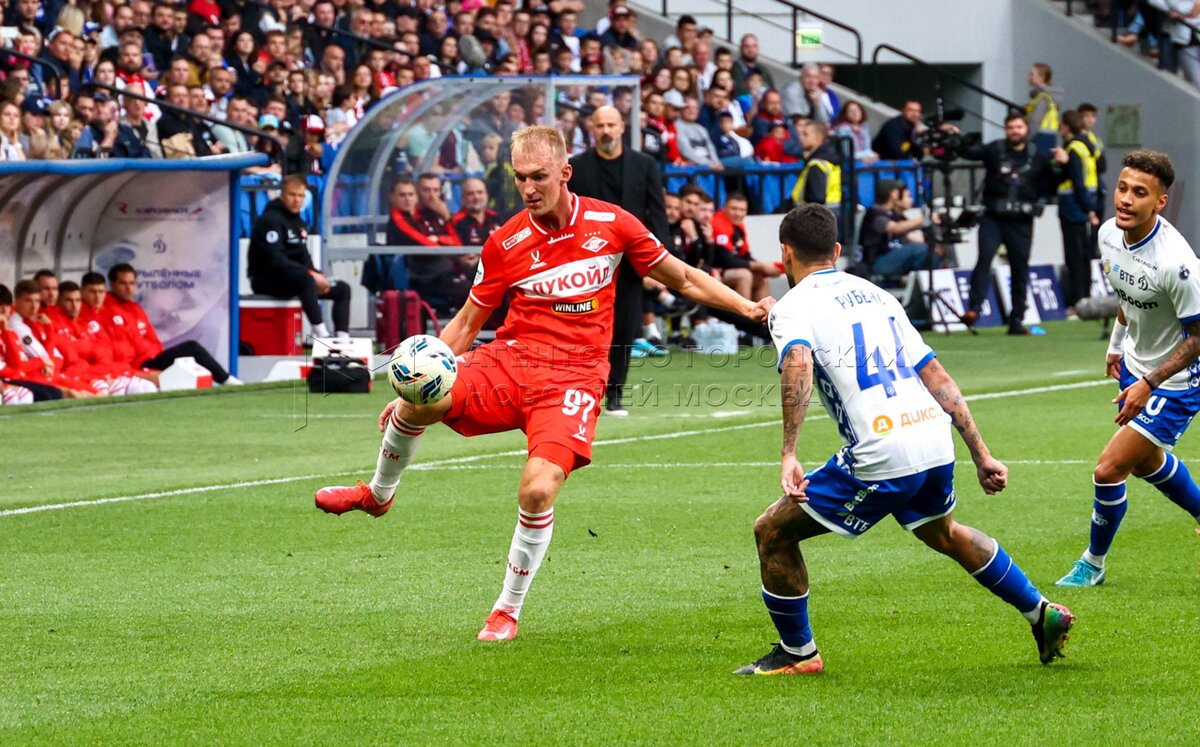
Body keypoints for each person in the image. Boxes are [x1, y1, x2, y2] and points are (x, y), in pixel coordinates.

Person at [314, 127, 772, 643]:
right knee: (422, 399)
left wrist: (748, 307)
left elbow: (683, 278)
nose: (529, 188)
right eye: (520, 178)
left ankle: (506, 610)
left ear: (564, 173)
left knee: (536, 489)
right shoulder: (506, 242)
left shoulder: (613, 224)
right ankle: (377, 495)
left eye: (539, 176)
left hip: (575, 376)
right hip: (511, 362)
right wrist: (423, 377)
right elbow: (466, 322)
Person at [735, 204, 1075, 675]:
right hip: (933, 438)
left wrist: (790, 452)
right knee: (943, 531)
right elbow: (936, 375)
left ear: (785, 254)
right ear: (836, 250)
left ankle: (798, 654)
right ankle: (1040, 611)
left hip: (882, 451)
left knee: (772, 531)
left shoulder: (792, 306)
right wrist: (981, 453)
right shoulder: (878, 296)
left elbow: (799, 362)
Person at [1056, 151, 1200, 587]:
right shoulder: (1108, 235)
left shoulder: (1178, 265)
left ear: (1160, 202)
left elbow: (1198, 338)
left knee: (1109, 469)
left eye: (1140, 192)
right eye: (1122, 188)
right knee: (1145, 461)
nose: (1126, 199)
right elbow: (1126, 296)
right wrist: (1117, 345)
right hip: (1135, 365)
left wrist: (1149, 384)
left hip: (1176, 380)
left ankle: (1092, 564)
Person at [568, 105, 671, 415]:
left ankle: (614, 393)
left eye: (611, 125)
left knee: (624, 330)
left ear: (622, 127)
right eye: (600, 125)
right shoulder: (576, 167)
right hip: (587, 263)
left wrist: (658, 265)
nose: (606, 131)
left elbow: (658, 215)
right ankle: (582, 391)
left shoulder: (644, 165)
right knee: (583, 330)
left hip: (629, 263)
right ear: (592, 128)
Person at [960, 112, 1066, 335]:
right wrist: (958, 138)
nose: (1015, 131)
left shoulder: (1037, 156)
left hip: (1021, 220)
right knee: (985, 258)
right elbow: (968, 153)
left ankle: (1016, 318)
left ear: (1026, 129)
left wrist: (1063, 165)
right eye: (1011, 127)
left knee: (1020, 267)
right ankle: (974, 309)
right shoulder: (994, 149)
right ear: (1006, 129)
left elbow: (1052, 183)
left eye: (1019, 127)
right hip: (993, 217)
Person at [100, 264, 241, 385]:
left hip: (153, 359)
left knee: (190, 354)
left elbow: (152, 338)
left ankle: (224, 380)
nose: (129, 288)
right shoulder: (104, 308)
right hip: (138, 365)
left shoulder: (135, 308)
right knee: (191, 347)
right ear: (112, 284)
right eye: (123, 283)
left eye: (132, 283)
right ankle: (227, 381)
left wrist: (155, 354)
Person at [248, 175, 351, 340]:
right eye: (292, 195)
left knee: (342, 289)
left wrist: (318, 275)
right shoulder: (270, 220)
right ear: (282, 195)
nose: (297, 200)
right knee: (307, 280)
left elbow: (303, 256)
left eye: (301, 196)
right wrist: (310, 275)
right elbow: (275, 260)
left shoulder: (298, 222)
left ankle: (342, 338)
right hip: (268, 279)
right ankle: (321, 334)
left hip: (295, 278)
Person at [1057, 110, 1101, 315]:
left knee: (1075, 257)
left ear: (1066, 126)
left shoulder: (1073, 149)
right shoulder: (1087, 145)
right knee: (1084, 256)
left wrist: (1088, 209)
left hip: (1073, 207)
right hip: (1086, 204)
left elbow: (1076, 181)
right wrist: (1091, 207)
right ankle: (1085, 298)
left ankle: (1078, 302)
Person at [858, 180, 939, 277]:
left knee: (929, 252)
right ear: (893, 194)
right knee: (919, 249)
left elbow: (911, 237)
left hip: (892, 257)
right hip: (876, 262)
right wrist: (926, 219)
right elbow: (895, 228)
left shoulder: (893, 214)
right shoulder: (875, 213)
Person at [1024, 63, 1061, 154]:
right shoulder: (1050, 96)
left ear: (1041, 77)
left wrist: (1026, 138)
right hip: (1050, 136)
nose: (1029, 77)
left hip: (1038, 138)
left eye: (1032, 74)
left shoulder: (1042, 97)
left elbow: (1035, 121)